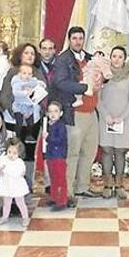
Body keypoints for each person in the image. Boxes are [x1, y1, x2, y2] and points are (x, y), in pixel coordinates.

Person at [53, 26, 100, 200]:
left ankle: (82, 186)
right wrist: (83, 87)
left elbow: (99, 77)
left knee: (89, 152)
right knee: (73, 153)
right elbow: (60, 82)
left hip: (91, 112)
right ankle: (68, 191)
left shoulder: (90, 58)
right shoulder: (63, 59)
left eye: (81, 38)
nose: (78, 41)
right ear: (69, 39)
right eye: (75, 38)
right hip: (75, 112)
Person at [97, 46, 129, 199]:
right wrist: (106, 115)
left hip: (123, 120)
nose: (117, 59)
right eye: (114, 56)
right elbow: (97, 98)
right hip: (106, 119)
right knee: (107, 151)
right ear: (110, 57)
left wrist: (123, 116)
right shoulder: (103, 75)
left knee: (120, 152)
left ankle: (120, 184)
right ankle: (107, 184)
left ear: (124, 58)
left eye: (120, 56)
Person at [0, 137, 30, 227]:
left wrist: (4, 169)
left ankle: (25, 217)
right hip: (7, 185)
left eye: (14, 153)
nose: (11, 155)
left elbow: (17, 174)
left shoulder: (20, 163)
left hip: (17, 186)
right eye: (9, 152)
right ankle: (4, 216)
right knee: (6, 203)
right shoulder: (4, 160)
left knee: (20, 203)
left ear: (19, 153)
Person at [10, 64, 45, 139]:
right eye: (24, 73)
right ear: (19, 74)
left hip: (29, 107)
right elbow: (16, 93)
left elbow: (38, 83)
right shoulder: (17, 83)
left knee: (31, 122)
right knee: (19, 122)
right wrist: (26, 93)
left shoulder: (32, 81)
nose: (27, 76)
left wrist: (41, 84)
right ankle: (17, 136)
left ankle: (29, 135)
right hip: (18, 106)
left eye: (29, 74)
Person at [44, 101, 68, 210]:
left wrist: (48, 137)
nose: (53, 114)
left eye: (56, 111)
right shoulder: (48, 124)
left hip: (59, 156)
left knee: (60, 179)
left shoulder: (61, 126)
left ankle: (62, 201)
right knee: (52, 177)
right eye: (50, 111)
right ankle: (54, 197)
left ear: (61, 113)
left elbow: (59, 140)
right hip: (50, 155)